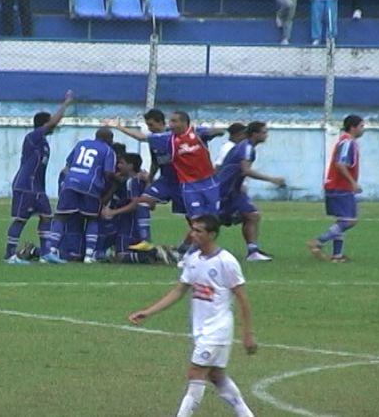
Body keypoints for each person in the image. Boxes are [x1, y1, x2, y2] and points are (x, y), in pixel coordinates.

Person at [128, 214, 257, 417]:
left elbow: (243, 299)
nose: (192, 234)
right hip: (200, 329)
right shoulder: (193, 259)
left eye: (198, 231)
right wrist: (149, 311)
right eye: (192, 229)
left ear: (211, 234)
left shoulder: (227, 262)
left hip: (217, 330)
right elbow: (179, 291)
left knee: (195, 373)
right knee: (216, 376)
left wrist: (247, 334)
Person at [3, 90, 74, 265]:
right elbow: (53, 123)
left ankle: (45, 253)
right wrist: (66, 103)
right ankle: (10, 255)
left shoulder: (44, 143)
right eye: (51, 124)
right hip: (25, 186)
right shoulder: (33, 137)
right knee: (20, 219)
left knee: (47, 217)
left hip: (38, 189)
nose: (55, 127)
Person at [106, 109, 186, 251]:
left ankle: (190, 245)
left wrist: (119, 127)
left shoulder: (169, 136)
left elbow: (141, 137)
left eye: (151, 125)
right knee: (142, 201)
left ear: (161, 122)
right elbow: (156, 162)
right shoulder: (155, 140)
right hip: (166, 181)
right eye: (147, 125)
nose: (149, 128)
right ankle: (145, 240)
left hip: (183, 182)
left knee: (194, 218)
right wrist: (149, 178)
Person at [42, 127, 117, 264]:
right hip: (91, 185)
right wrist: (114, 185)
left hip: (70, 182)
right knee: (92, 218)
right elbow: (108, 173)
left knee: (61, 216)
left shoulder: (81, 144)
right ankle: (89, 256)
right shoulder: (108, 150)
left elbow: (68, 165)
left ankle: (50, 251)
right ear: (109, 139)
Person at [217, 121, 286, 262]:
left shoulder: (246, 146)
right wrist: (272, 179)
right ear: (255, 134)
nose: (266, 135)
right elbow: (245, 170)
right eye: (264, 132)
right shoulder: (247, 147)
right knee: (210, 223)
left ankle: (253, 252)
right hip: (224, 191)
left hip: (235, 191)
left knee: (253, 215)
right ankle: (186, 250)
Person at [308, 115, 365, 263]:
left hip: (335, 186)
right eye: (361, 126)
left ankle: (337, 256)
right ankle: (319, 242)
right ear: (353, 127)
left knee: (341, 221)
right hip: (340, 187)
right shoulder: (347, 142)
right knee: (350, 221)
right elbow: (340, 164)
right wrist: (352, 182)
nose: (363, 130)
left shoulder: (346, 141)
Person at [101, 153, 172, 264]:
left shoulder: (132, 182)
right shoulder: (140, 180)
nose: (118, 166)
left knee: (120, 256)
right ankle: (154, 254)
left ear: (130, 166)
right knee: (121, 253)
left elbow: (135, 204)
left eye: (121, 163)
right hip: (138, 228)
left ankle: (155, 253)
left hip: (128, 226)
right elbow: (151, 206)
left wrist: (113, 212)